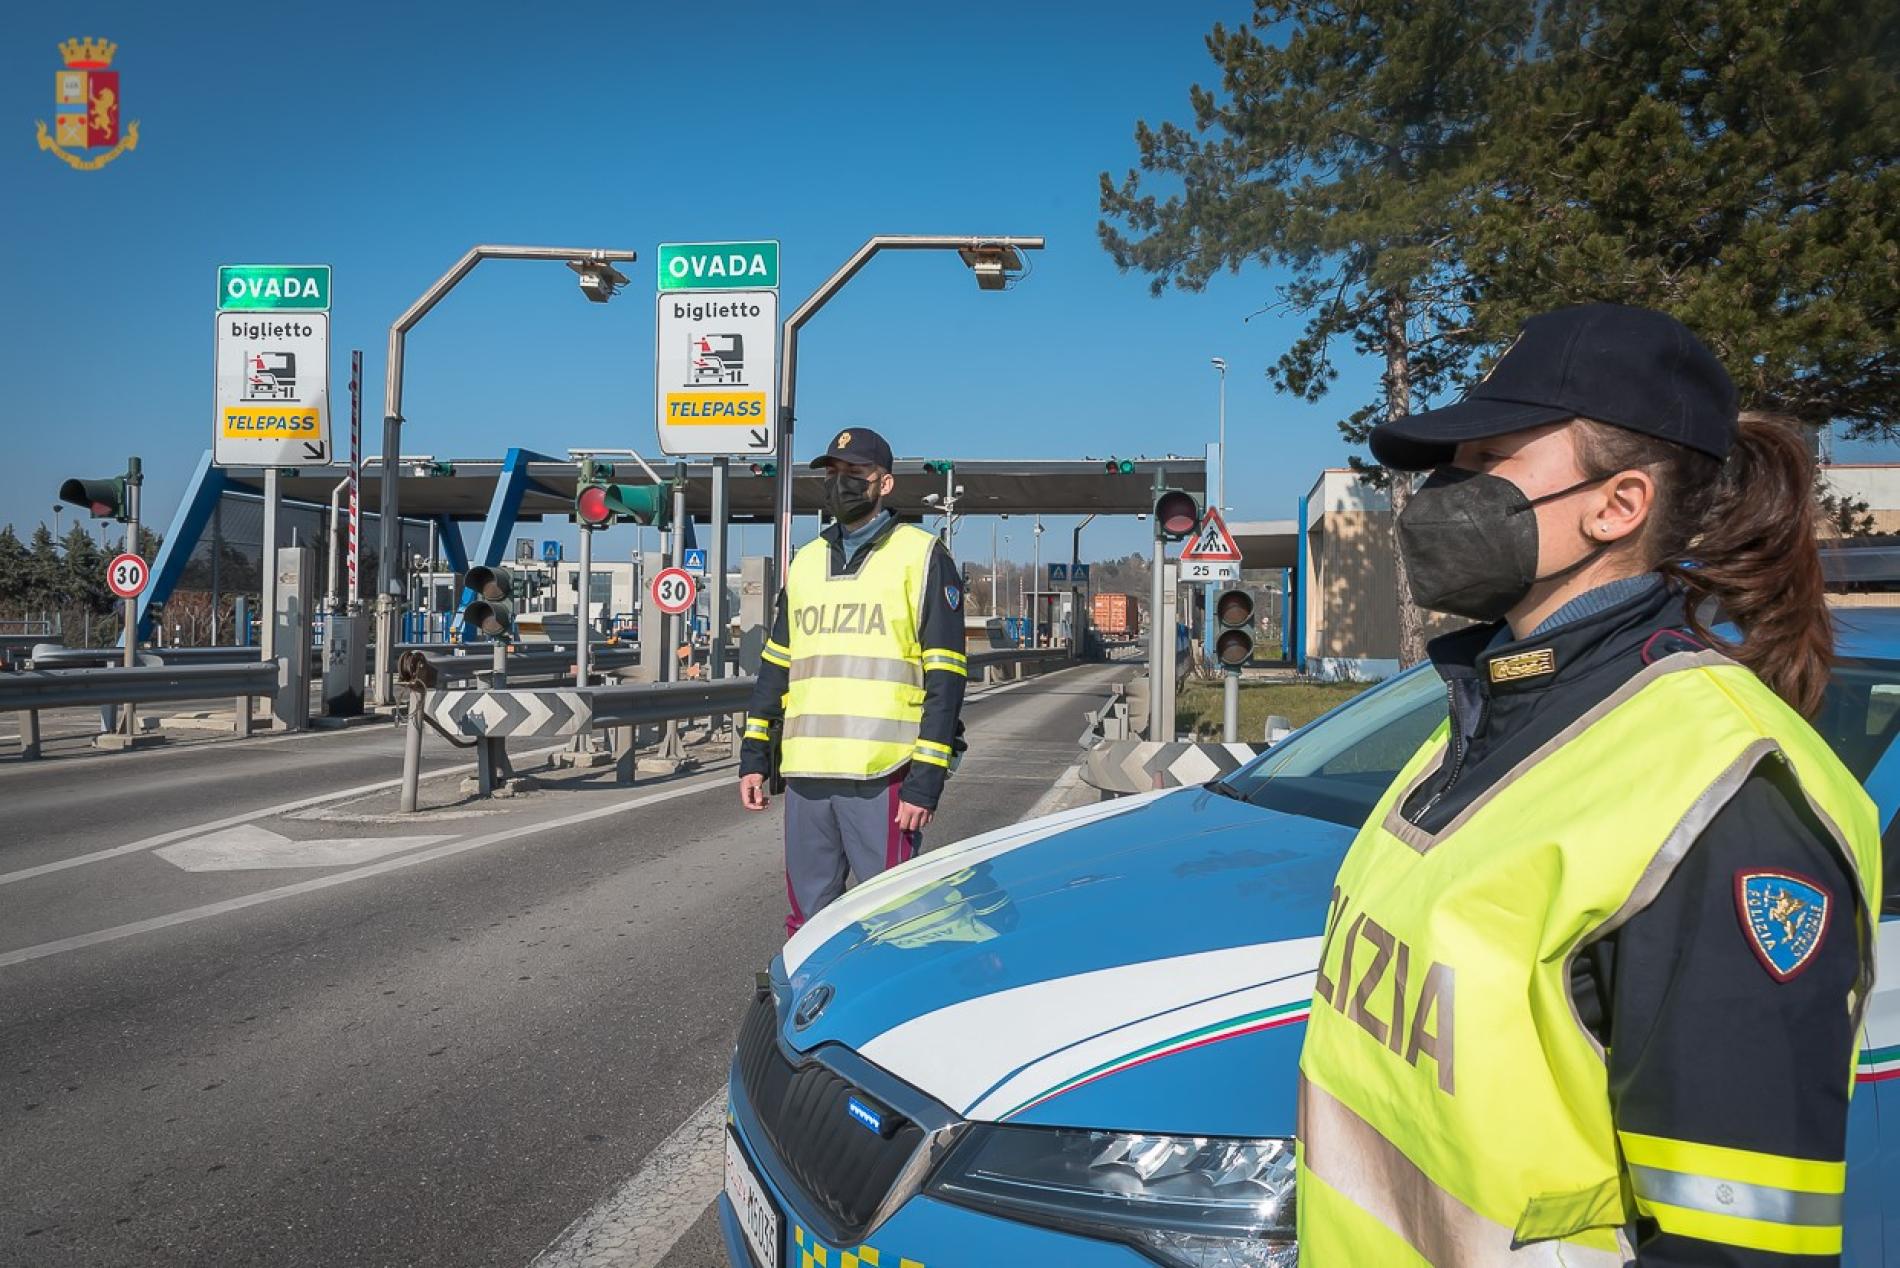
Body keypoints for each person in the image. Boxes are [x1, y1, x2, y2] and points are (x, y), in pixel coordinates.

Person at [1295, 304, 1883, 1267]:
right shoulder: (1490, 706)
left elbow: (1736, 1249)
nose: (1441, 495)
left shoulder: (1727, 801)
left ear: (1618, 506)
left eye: (1489, 465)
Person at [738, 427, 969, 937]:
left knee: (897, 921)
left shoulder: (923, 555)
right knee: (808, 924)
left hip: (883, 775)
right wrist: (755, 755)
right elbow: (776, 665)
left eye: (854, 474)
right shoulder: (805, 562)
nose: (840, 484)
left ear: (884, 484)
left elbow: (946, 676)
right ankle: (818, 1015)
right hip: (807, 775)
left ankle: (895, 1015)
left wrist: (925, 783)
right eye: (833, 473)